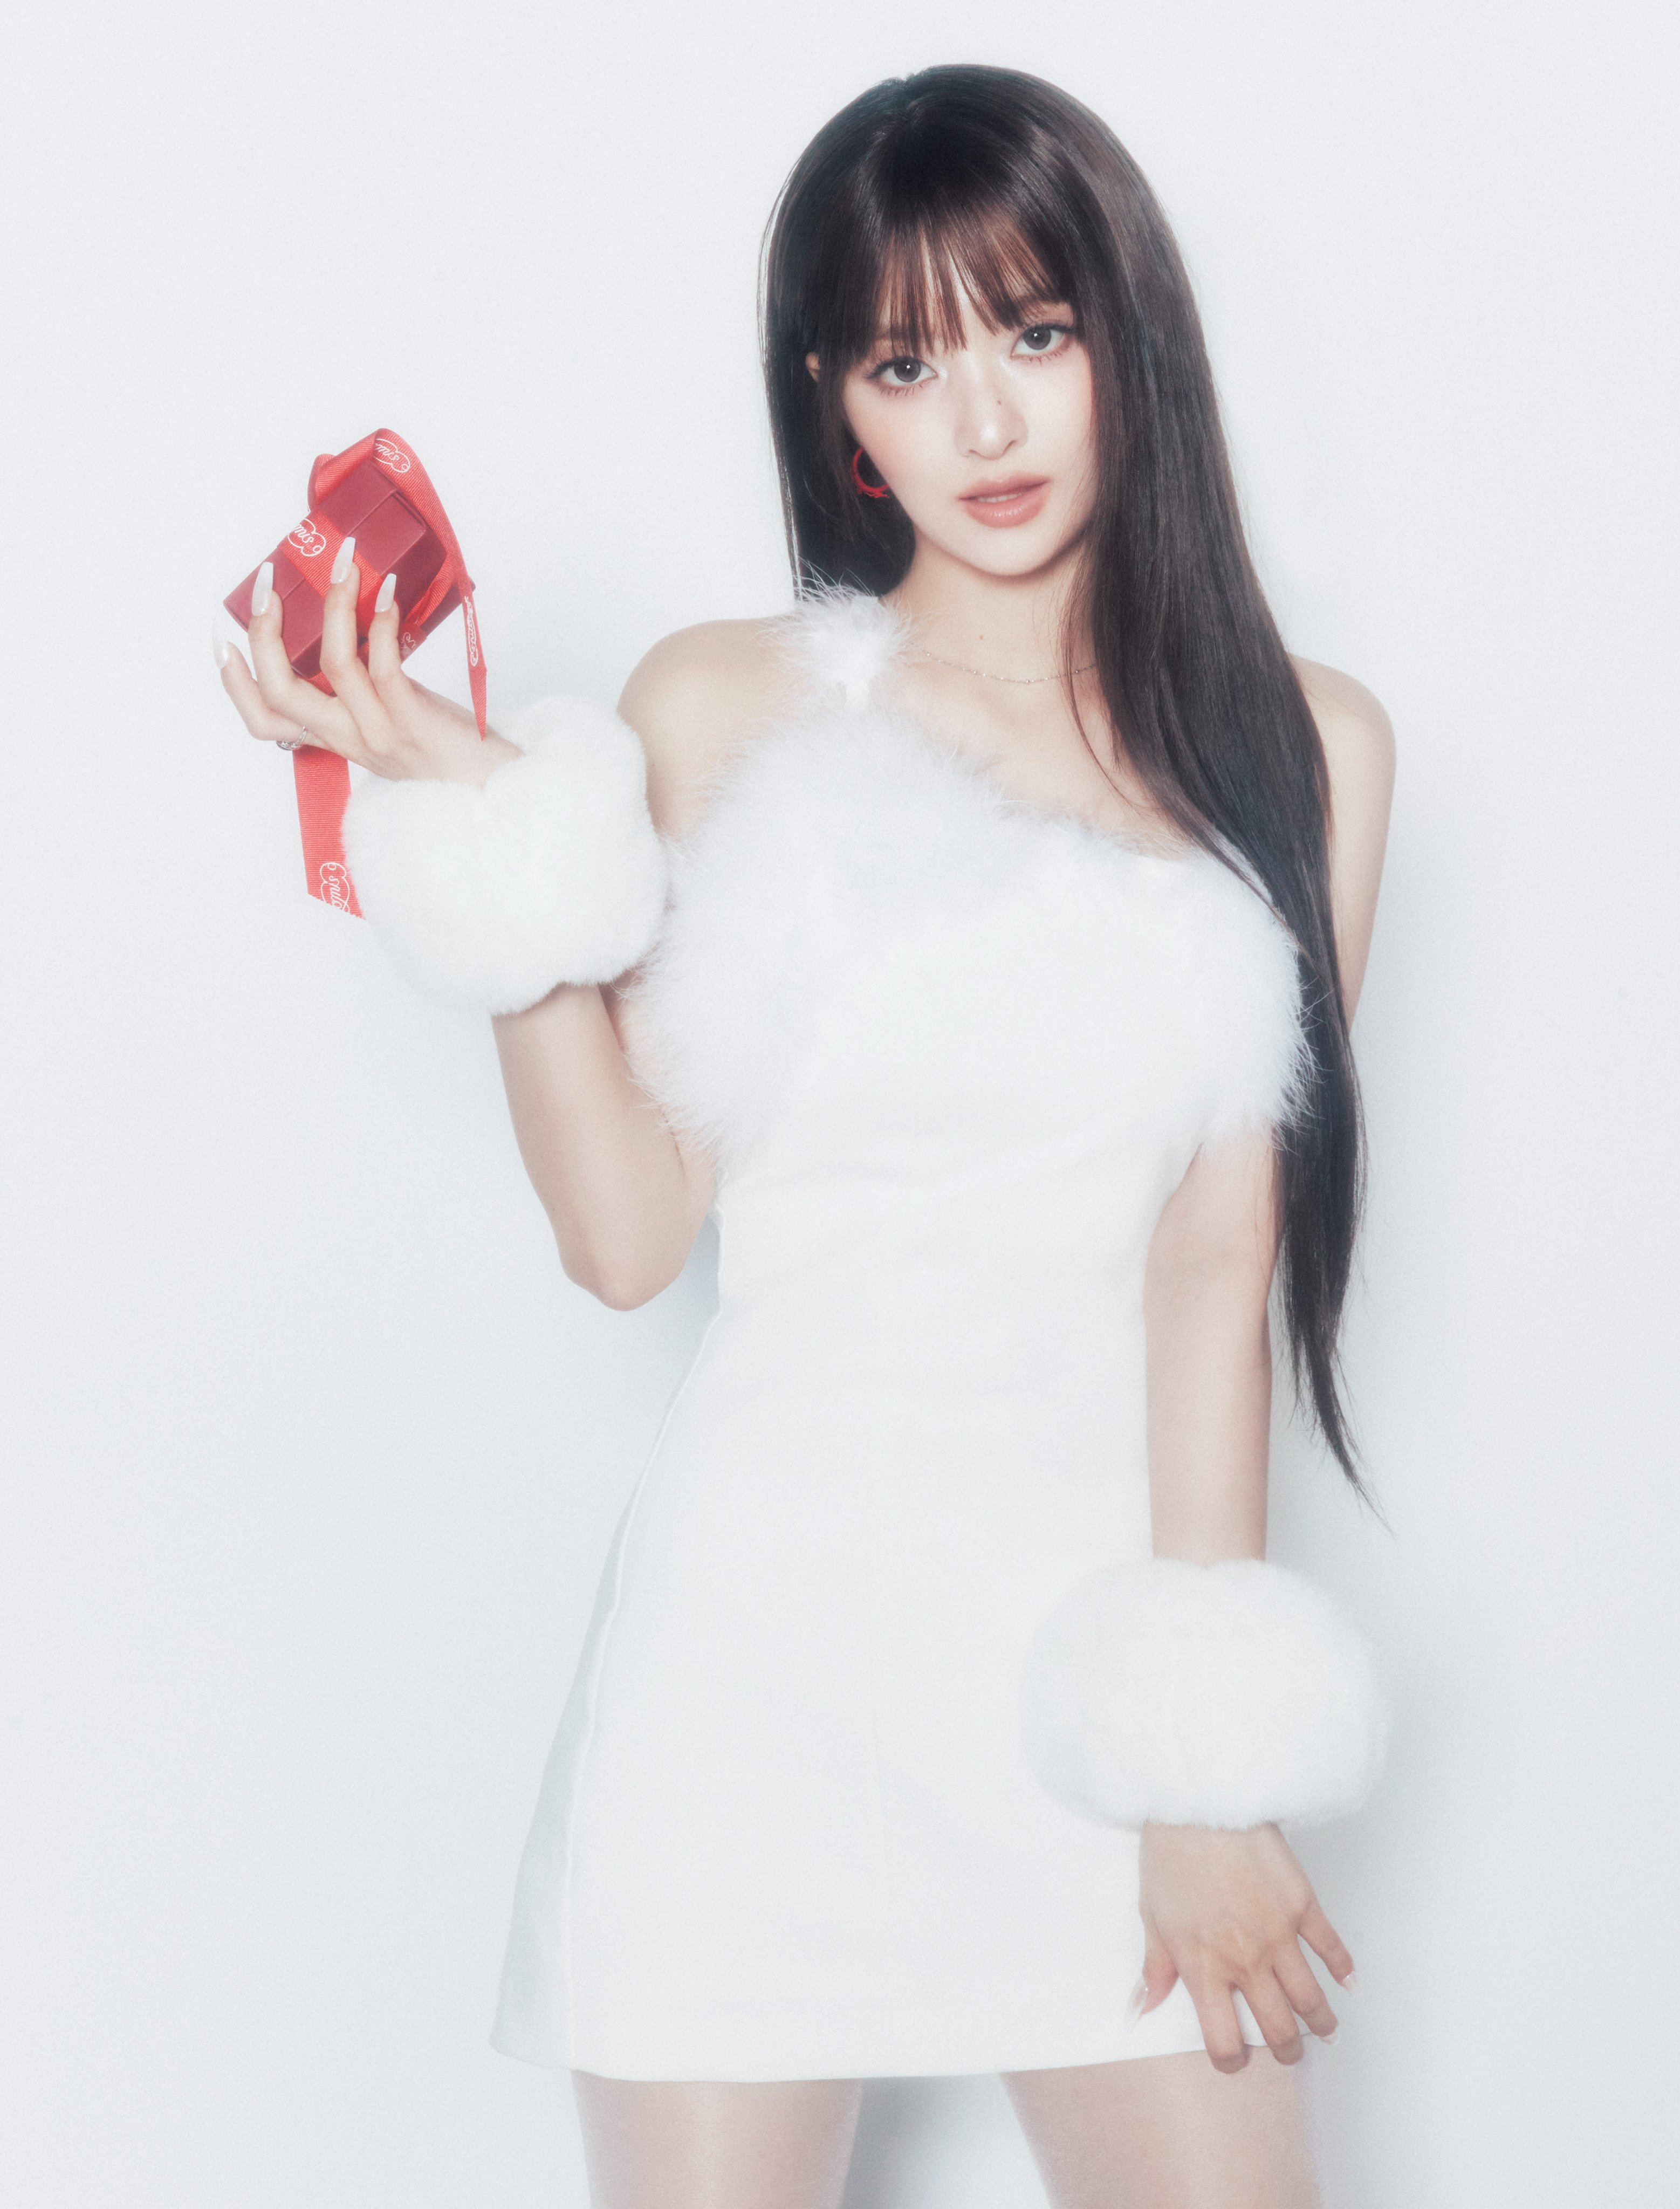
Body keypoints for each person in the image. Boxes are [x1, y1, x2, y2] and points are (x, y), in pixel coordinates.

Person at [216, 62, 1396, 2209]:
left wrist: (1196, 1768)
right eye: (905, 361)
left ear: (1128, 342)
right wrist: (495, 838)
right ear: (839, 411)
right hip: (750, 1685)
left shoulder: (1299, 746)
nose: (986, 420)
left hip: (1080, 1690)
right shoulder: (721, 706)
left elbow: (1213, 1267)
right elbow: (623, 1236)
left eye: (1034, 332)